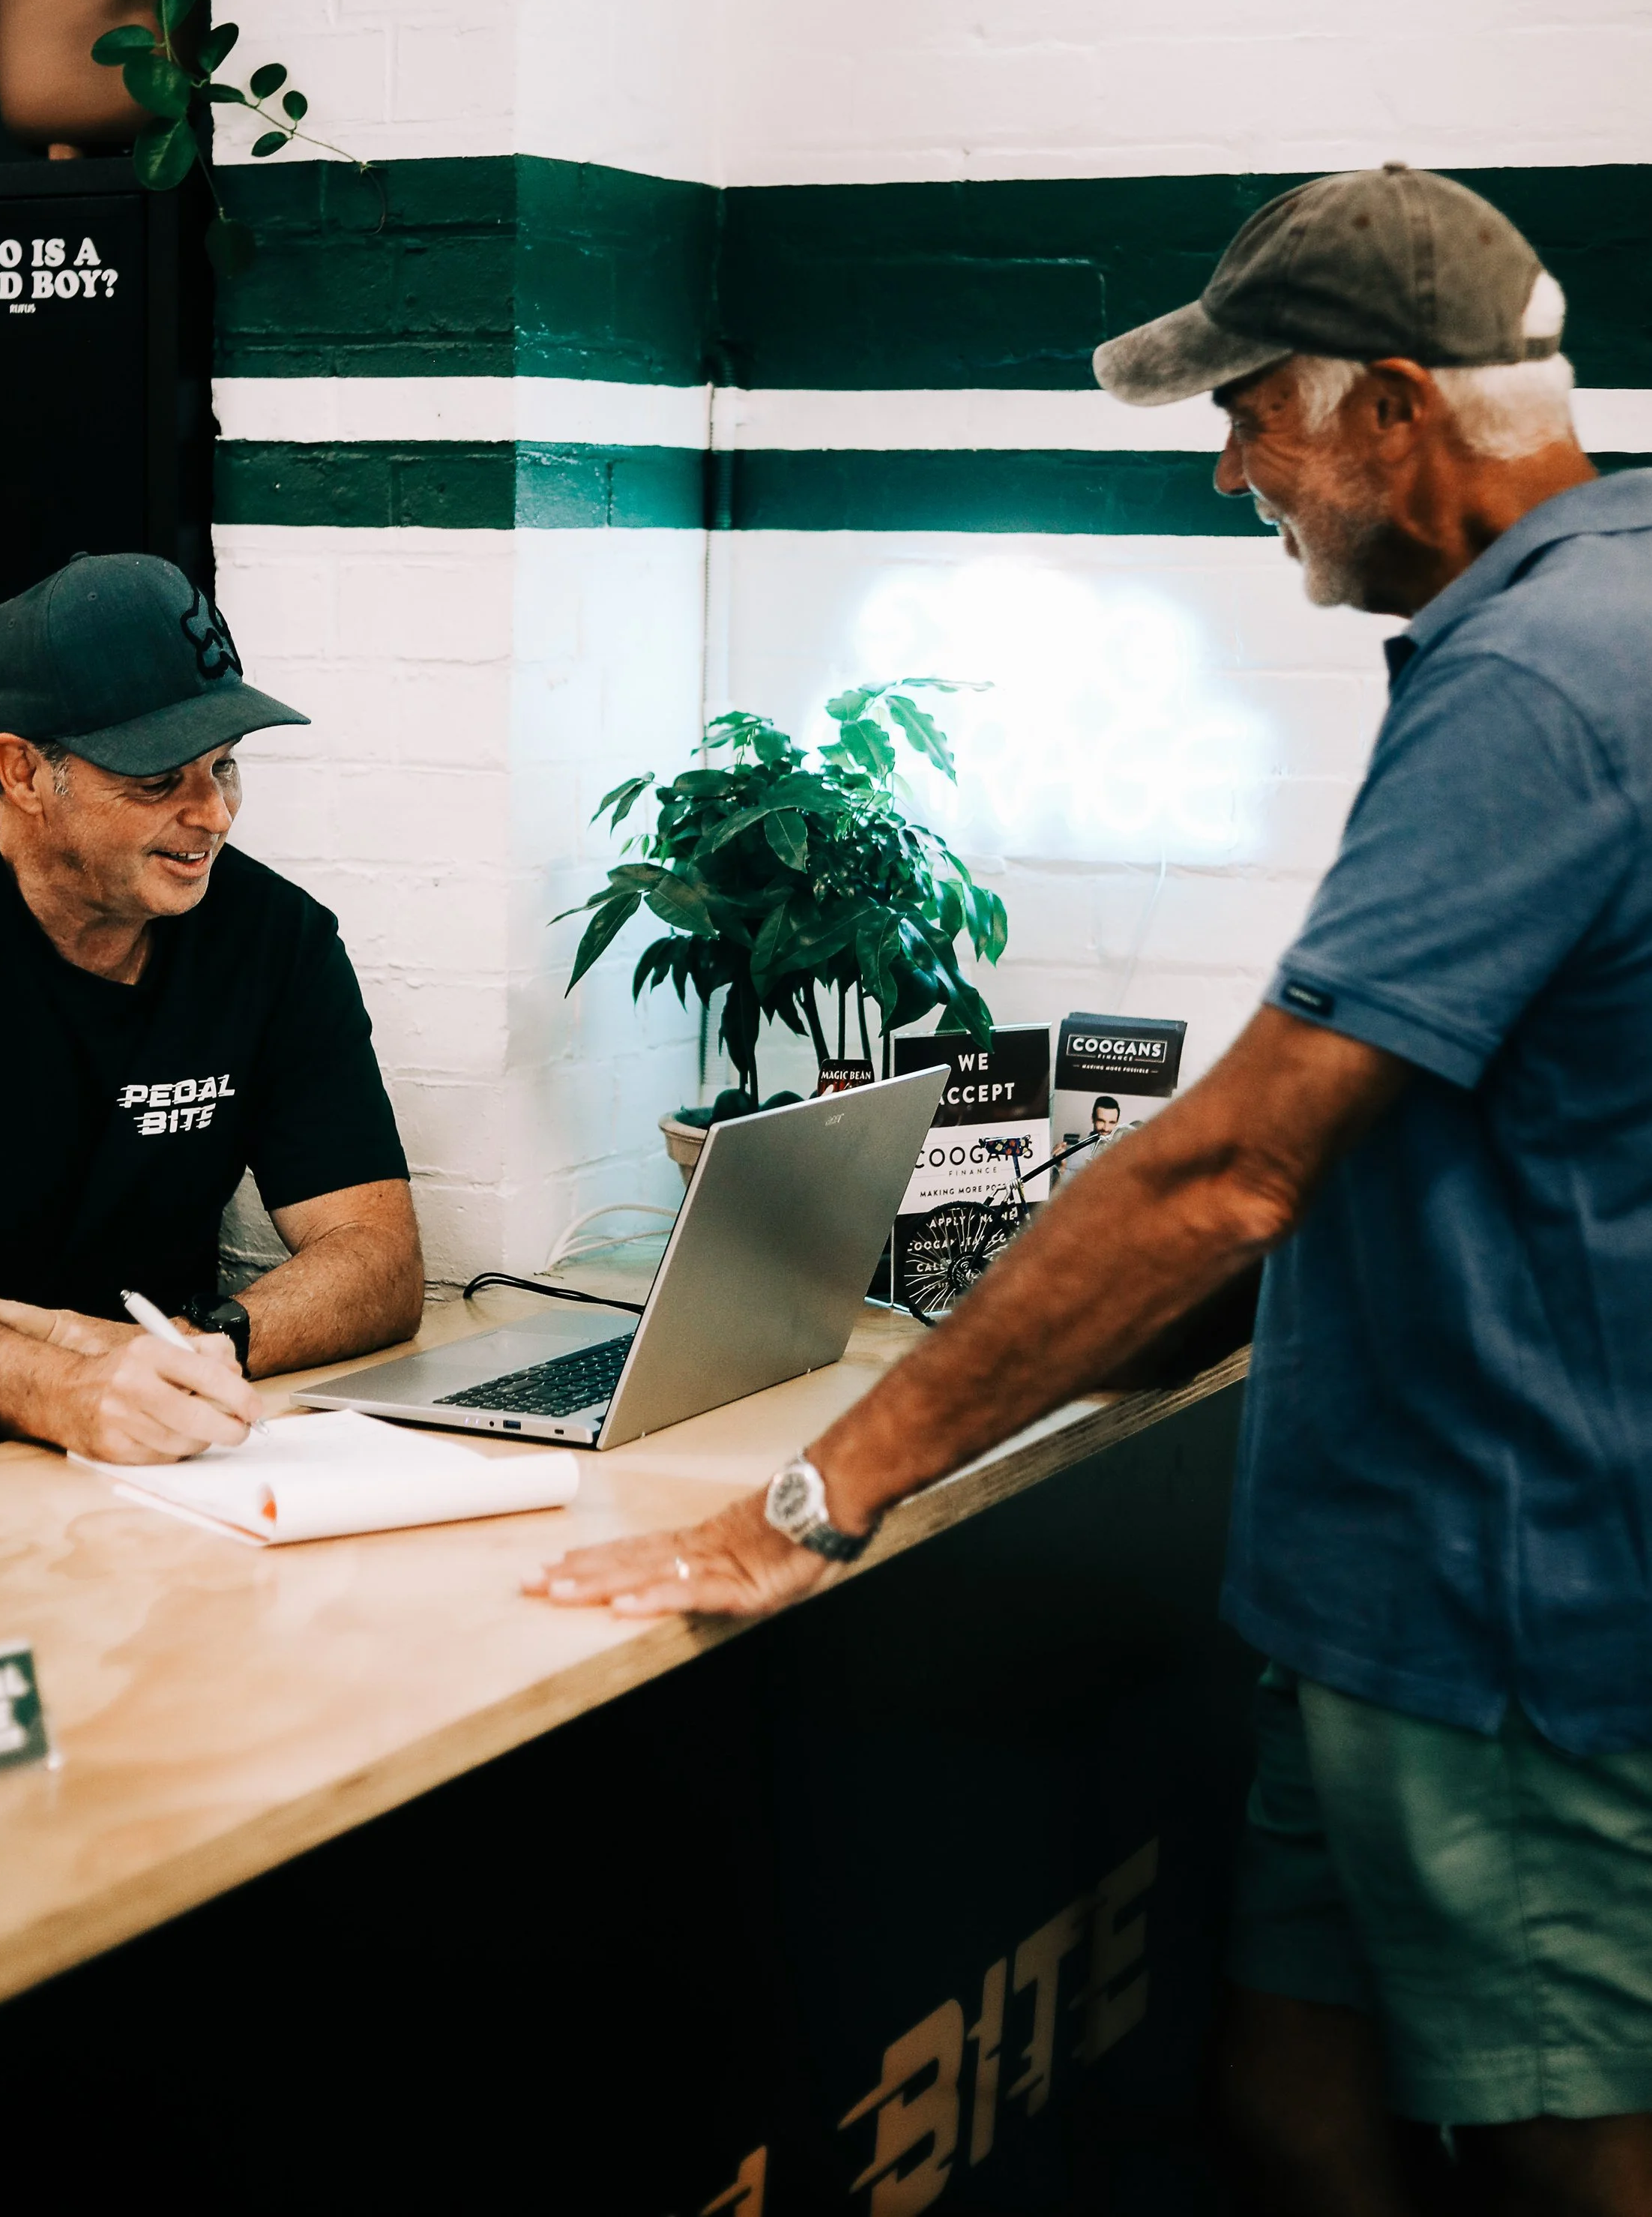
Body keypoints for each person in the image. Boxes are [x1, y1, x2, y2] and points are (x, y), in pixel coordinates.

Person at [531, 163, 1652, 2213]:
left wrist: (818, 1487)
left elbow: (1234, 1161)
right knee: (1288, 2091)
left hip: (1503, 1607)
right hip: (1375, 1596)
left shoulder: (1541, 677)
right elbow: (1364, 1136)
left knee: (1566, 2149)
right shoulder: (1590, 598)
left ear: (1394, 406)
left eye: (1250, 413)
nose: (1233, 473)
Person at [0, 553, 422, 1496]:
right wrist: (73, 1387)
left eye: (225, 767)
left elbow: (381, 1257)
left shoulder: (277, 939)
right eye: (160, 779)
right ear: (24, 771)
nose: (213, 816)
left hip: (163, 1452)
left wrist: (202, 1348)